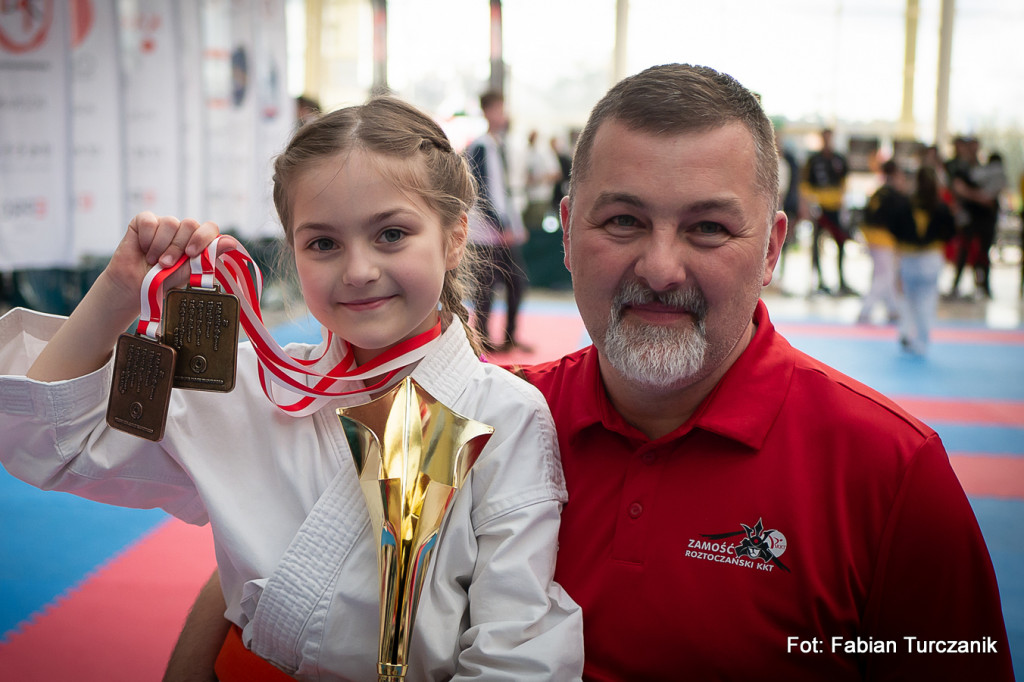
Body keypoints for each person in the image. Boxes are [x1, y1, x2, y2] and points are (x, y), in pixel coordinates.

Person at [169, 64, 1014, 681]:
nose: (661, 265)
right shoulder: (483, 418)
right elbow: (295, 558)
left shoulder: (888, 474)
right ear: (568, 232)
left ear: (774, 248)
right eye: (622, 220)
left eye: (710, 229)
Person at [0, 97, 582, 680]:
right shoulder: (253, 386)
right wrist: (120, 290)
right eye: (323, 243)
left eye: (392, 234)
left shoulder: (503, 415)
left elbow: (516, 645)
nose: (357, 270)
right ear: (293, 250)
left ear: (456, 237)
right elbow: (55, 446)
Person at [465, 90, 532, 352]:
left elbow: (505, 192)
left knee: (517, 282)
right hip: (485, 232)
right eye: (499, 110)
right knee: (486, 289)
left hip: (503, 228)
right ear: (487, 112)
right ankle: (482, 339)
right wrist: (502, 227)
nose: (503, 115)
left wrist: (514, 225)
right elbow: (480, 191)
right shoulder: (479, 146)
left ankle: (510, 337)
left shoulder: (499, 145)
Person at [894, 166, 957, 354]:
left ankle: (905, 332)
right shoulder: (942, 206)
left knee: (907, 298)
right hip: (931, 258)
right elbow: (951, 233)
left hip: (909, 258)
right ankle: (922, 340)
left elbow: (895, 229)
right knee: (926, 300)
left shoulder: (905, 204)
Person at [802, 128, 856, 296]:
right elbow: (805, 183)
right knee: (816, 244)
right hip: (819, 208)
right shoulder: (814, 160)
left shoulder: (839, 159)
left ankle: (841, 280)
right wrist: (809, 204)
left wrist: (842, 202)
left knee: (841, 242)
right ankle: (818, 281)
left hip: (836, 207)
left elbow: (844, 182)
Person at [856, 160, 904, 325]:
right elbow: (896, 221)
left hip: (872, 236)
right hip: (883, 238)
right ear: (896, 175)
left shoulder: (879, 192)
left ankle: (893, 310)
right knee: (884, 276)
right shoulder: (894, 195)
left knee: (885, 274)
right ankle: (865, 310)